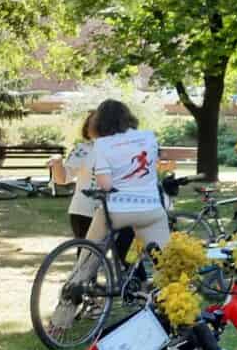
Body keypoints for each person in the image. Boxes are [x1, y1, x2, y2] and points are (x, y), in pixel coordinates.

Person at [86, 99, 168, 250]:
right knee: (164, 259)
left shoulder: (102, 144)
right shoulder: (149, 136)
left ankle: (87, 264)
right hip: (151, 208)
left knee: (89, 254)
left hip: (117, 210)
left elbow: (105, 185)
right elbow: (154, 166)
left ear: (99, 122)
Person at [53, 110, 98, 239]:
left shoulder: (122, 149)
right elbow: (62, 179)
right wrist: (57, 163)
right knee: (87, 251)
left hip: (117, 213)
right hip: (85, 212)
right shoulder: (83, 149)